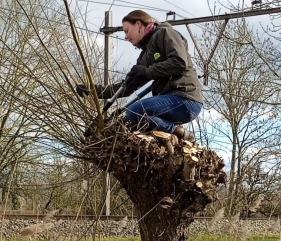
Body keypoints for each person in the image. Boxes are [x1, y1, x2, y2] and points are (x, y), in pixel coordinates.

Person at [78, 10, 203, 142]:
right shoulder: (146, 55)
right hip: (172, 102)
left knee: (135, 111)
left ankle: (176, 131)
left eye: (127, 31)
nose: (126, 37)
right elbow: (126, 87)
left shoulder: (165, 33)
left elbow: (179, 62)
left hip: (185, 98)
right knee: (131, 122)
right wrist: (94, 91)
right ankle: (180, 134)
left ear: (138, 24)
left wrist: (146, 72)